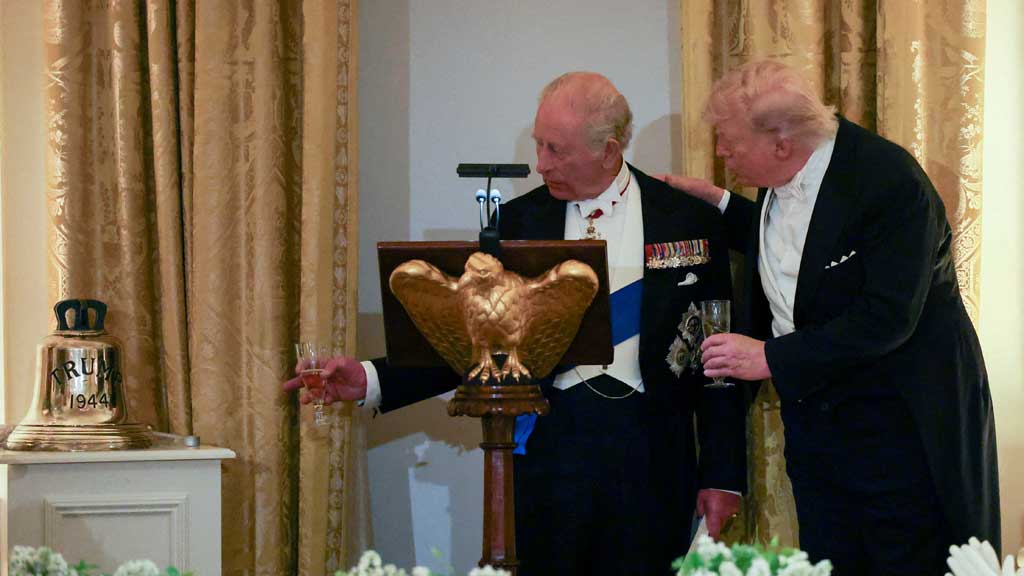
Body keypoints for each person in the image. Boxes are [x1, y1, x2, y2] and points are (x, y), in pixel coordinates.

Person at [287, 72, 747, 575]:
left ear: (609, 150)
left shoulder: (687, 219)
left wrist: (723, 474)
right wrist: (370, 378)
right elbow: (473, 338)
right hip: (549, 452)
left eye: (556, 149)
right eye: (538, 144)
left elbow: (718, 357)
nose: (540, 163)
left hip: (654, 455)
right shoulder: (517, 223)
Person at [659, 59, 1000, 576]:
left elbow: (887, 316)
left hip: (901, 433)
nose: (721, 152)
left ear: (781, 143)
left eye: (729, 142)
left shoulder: (890, 181)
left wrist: (770, 356)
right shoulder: (787, 171)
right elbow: (809, 250)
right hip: (820, 435)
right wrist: (723, 205)